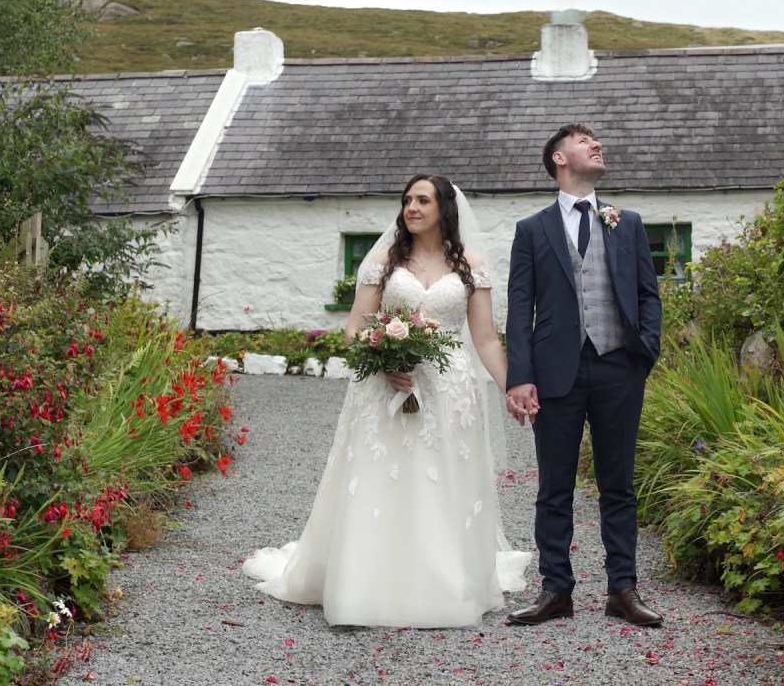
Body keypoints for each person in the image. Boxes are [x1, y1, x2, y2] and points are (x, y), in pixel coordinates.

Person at [243, 174, 530, 628]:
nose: (411, 207)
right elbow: (355, 327)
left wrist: (514, 387)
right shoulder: (383, 260)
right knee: (385, 476)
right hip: (386, 386)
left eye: (422, 200)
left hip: (449, 391)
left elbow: (487, 340)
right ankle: (364, 582)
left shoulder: (471, 265)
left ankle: (442, 582)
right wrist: (382, 360)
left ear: (445, 208)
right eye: (407, 200)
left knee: (440, 483)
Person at [504, 124, 663, 626]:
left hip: (619, 366)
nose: (597, 144)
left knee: (619, 483)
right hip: (555, 371)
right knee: (554, 486)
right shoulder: (532, 229)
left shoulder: (627, 222)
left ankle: (623, 589)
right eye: (584, 140)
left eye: (599, 139)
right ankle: (557, 590)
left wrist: (644, 353)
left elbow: (647, 294)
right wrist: (519, 377)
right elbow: (520, 308)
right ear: (559, 157)